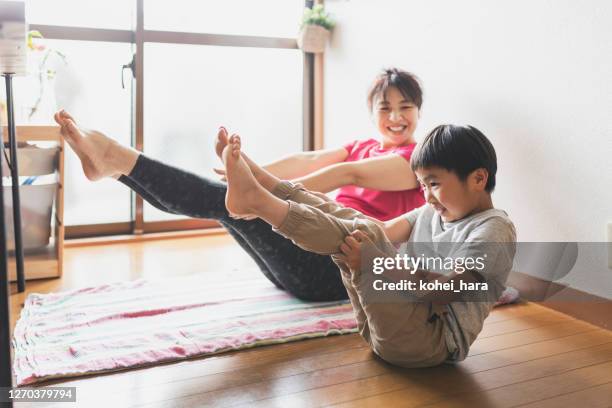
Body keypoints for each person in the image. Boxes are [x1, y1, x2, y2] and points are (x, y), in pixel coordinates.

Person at [53, 68, 427, 301]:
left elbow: (351, 174)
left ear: (418, 111)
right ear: (372, 112)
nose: (395, 116)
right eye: (385, 107)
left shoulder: (417, 160)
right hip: (304, 261)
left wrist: (267, 188)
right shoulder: (360, 146)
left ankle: (116, 161)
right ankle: (116, 167)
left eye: (405, 107)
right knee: (228, 206)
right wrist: (252, 167)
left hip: (339, 274)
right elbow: (308, 159)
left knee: (228, 201)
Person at [218, 124, 517, 367]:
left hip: (429, 342)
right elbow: (381, 230)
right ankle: (268, 186)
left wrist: (375, 263)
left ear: (478, 179)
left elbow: (440, 293)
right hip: (380, 330)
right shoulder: (431, 211)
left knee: (367, 237)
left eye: (434, 184)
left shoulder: (494, 230)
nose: (426, 196)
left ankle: (259, 201)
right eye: (422, 185)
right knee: (367, 229)